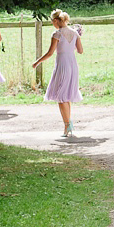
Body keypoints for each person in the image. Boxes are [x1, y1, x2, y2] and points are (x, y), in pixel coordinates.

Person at [32, 9, 83, 137]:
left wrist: (37, 62)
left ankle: (67, 124)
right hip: (72, 64)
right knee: (66, 95)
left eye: (52, 21)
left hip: (62, 65)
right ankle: (68, 124)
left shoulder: (57, 34)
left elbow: (50, 53)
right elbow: (80, 51)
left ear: (56, 21)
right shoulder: (74, 33)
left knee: (61, 96)